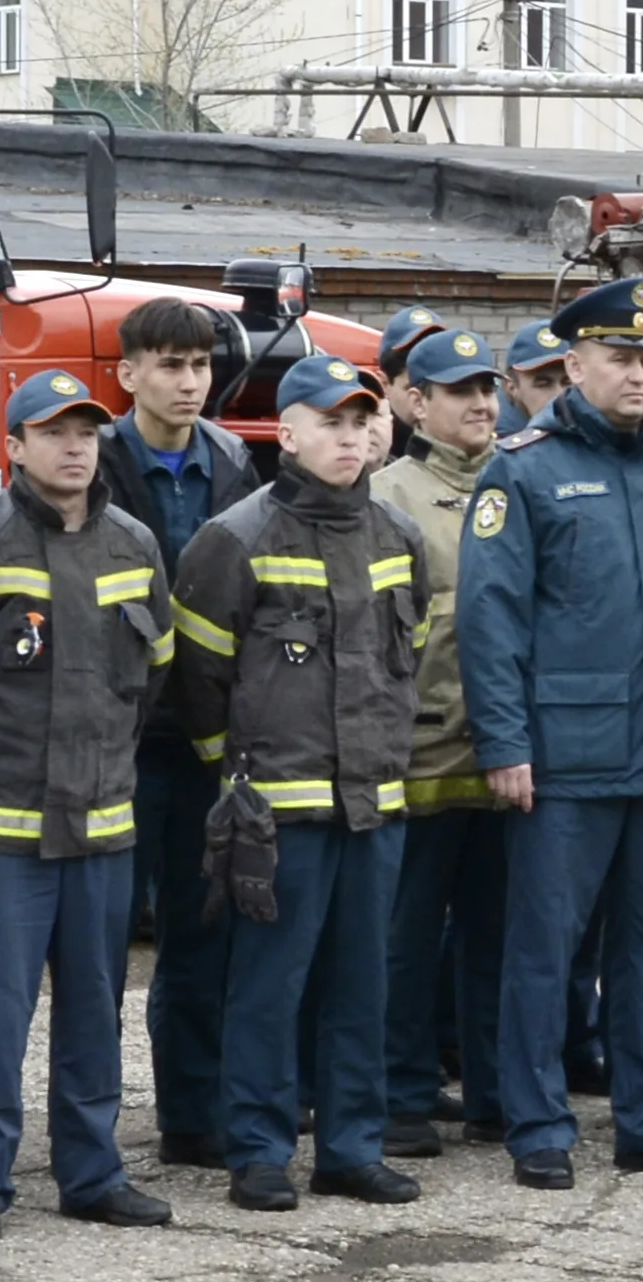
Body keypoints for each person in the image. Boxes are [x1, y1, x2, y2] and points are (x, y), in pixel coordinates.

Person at [463, 278, 643, 1188]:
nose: (639, 374)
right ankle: (538, 1125)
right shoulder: (523, 467)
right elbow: (490, 621)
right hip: (565, 759)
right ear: (574, 365)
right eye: (621, 358)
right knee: (544, 956)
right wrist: (505, 745)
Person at [164, 351, 425, 1209]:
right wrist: (235, 782)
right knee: (269, 990)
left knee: (364, 986)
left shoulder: (397, 536)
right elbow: (199, 681)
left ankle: (351, 1147)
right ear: (289, 433)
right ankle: (260, 1151)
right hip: (278, 813)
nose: (350, 439)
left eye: (362, 423)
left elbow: (405, 661)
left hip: (374, 807)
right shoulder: (233, 539)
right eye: (331, 423)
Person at [0, 369, 176, 1234]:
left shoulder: (134, 545)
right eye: (55, 432)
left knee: (96, 1010)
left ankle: (92, 1173)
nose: (75, 447)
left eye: (86, 432)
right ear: (15, 446)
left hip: (102, 827)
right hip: (1, 832)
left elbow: (154, 677)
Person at [101, 295, 265, 1164]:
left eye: (200, 365)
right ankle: (88, 1126)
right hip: (117, 743)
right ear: (129, 375)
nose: (190, 381)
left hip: (206, 741)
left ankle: (191, 1118)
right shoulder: (91, 460)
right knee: (99, 951)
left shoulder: (235, 462)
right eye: (170, 364)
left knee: (202, 938)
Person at [369, 332, 509, 1160]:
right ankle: (402, 1097)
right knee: (406, 944)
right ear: (414, 402)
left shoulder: (521, 481)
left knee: (498, 941)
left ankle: (495, 1095)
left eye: (487, 389)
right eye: (460, 392)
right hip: (420, 755)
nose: (482, 405)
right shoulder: (387, 496)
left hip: (504, 763)